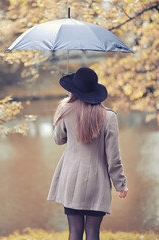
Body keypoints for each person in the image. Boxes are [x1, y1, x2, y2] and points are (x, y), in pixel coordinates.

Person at [47, 67, 128, 240]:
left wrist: (61, 114)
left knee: (74, 232)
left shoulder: (65, 110)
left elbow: (58, 139)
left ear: (74, 90)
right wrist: (120, 184)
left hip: (70, 180)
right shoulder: (109, 117)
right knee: (93, 232)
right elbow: (113, 157)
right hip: (97, 182)